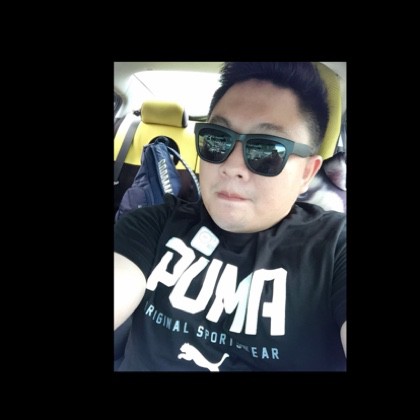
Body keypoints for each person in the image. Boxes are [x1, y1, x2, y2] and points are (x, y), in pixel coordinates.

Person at [114, 62, 346, 371]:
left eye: (267, 150)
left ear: (307, 172)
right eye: (217, 139)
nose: (232, 166)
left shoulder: (335, 248)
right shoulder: (152, 225)